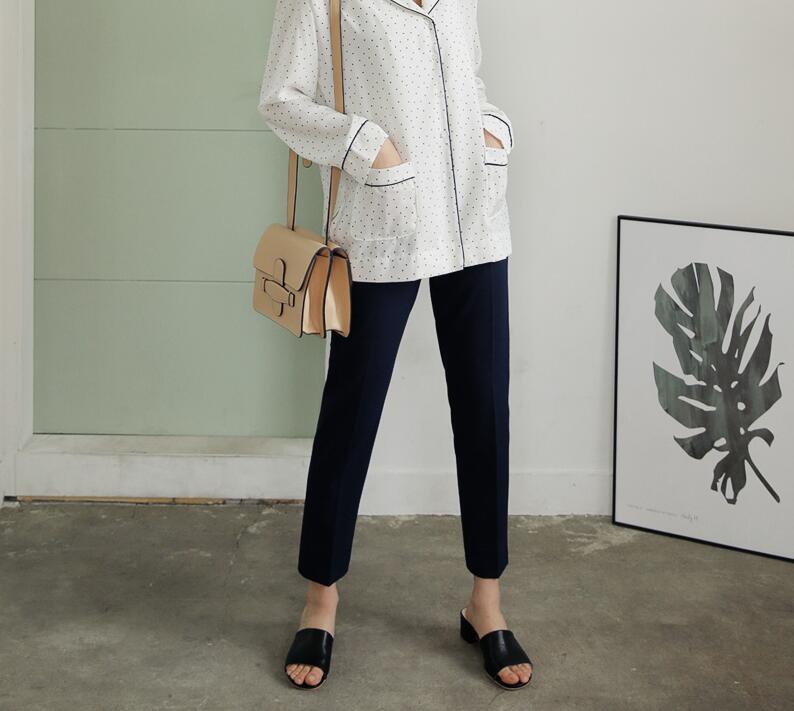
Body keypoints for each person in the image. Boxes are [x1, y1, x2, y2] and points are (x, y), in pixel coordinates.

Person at [258, 0, 533, 691]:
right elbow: (281, 100)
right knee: (351, 411)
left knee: (485, 408)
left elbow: (467, 79)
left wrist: (492, 132)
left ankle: (486, 601)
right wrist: (366, 146)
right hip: (383, 222)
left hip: (475, 220)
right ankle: (321, 599)